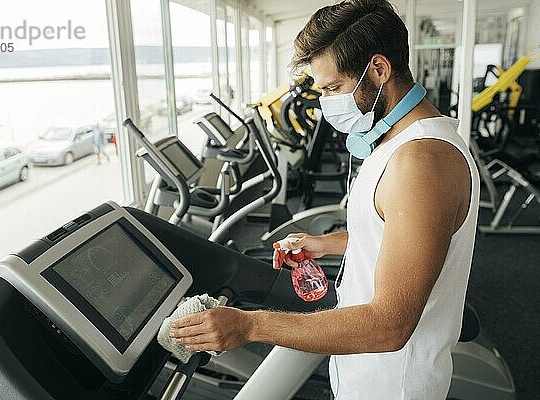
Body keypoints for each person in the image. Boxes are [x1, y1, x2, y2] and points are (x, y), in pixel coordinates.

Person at [169, 1, 480, 399]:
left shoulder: (421, 161)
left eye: (334, 88)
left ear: (380, 70)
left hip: (392, 384)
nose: (328, 102)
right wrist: (325, 242)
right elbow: (398, 239)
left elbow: (389, 324)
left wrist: (249, 326)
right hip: (366, 371)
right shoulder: (400, 144)